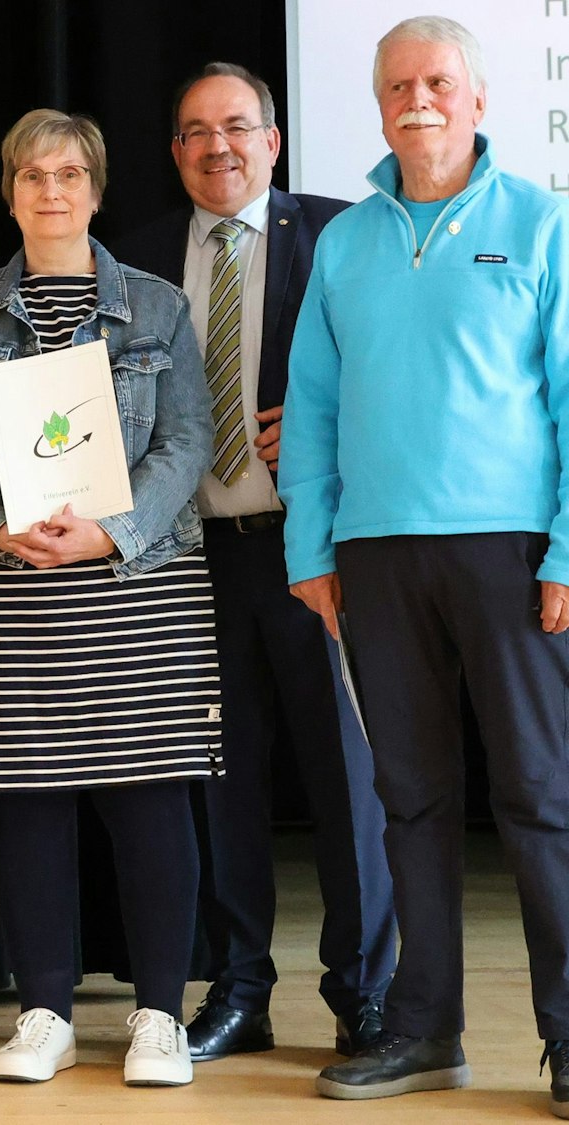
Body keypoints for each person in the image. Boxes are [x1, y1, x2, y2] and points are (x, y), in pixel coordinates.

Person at [281, 16, 569, 1110]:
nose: (419, 99)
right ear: (377, 103)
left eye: (438, 81)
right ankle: (423, 1032)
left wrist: (561, 553)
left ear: (478, 99)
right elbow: (306, 409)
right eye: (398, 83)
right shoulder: (345, 242)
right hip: (373, 557)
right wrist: (312, 548)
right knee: (408, 802)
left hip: (509, 553)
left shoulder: (538, 226)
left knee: (540, 797)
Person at [0, 108, 218, 1089]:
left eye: (69, 175)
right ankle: (40, 1012)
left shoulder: (158, 308)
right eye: (31, 175)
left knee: (148, 803)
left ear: (94, 188)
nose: (51, 191)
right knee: (24, 803)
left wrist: (110, 532)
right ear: (7, 192)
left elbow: (185, 444)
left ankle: (158, 1016)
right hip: (9, 584)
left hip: (139, 586)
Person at [110, 62, 394, 1063]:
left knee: (345, 782)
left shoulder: (339, 234)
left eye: (236, 127)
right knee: (218, 783)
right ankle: (238, 991)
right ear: (174, 151)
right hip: (193, 561)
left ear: (271, 141)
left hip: (313, 551)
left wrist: (329, 428)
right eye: (194, 131)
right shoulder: (135, 259)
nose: (216, 146)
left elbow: (397, 372)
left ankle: (364, 994)